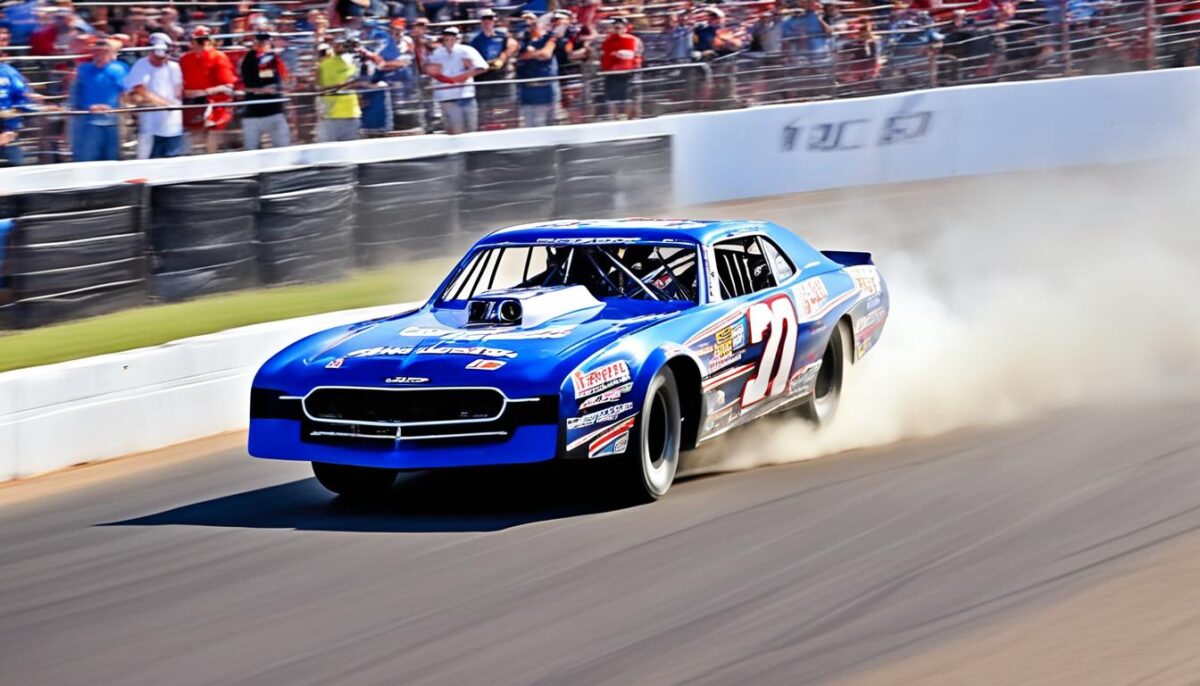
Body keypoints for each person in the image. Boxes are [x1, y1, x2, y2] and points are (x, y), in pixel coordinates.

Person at [124, 32, 186, 158]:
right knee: (148, 162)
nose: (162, 58)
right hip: (150, 127)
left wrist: (169, 105)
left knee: (173, 161)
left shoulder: (174, 67)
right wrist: (163, 103)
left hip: (173, 125)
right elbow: (139, 89)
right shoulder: (141, 65)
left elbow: (178, 92)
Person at [69, 38, 128, 162]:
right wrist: (87, 108)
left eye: (103, 51)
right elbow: (75, 94)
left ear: (110, 53)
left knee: (111, 160)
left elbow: (126, 92)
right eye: (95, 51)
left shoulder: (119, 69)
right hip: (88, 121)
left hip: (112, 121)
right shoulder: (83, 69)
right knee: (87, 160)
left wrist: (119, 110)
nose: (98, 54)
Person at [180, 26, 236, 154]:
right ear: (192, 42)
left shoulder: (218, 56)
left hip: (215, 104)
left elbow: (228, 86)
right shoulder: (185, 59)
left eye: (204, 40)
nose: (202, 44)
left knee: (213, 132)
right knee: (193, 138)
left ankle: (212, 161)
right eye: (199, 41)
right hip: (192, 104)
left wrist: (204, 92)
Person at [424, 25, 487, 134]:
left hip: (466, 95)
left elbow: (482, 67)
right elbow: (430, 71)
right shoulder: (436, 53)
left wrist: (466, 74)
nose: (450, 40)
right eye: (447, 37)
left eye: (453, 37)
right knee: (455, 131)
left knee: (471, 129)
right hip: (447, 96)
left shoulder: (467, 50)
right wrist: (452, 80)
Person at [239, 30, 291, 150]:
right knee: (251, 149)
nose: (264, 43)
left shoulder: (274, 58)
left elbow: (286, 79)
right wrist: (263, 90)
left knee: (283, 147)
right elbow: (244, 87)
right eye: (260, 40)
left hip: (275, 110)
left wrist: (282, 87)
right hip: (253, 113)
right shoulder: (248, 59)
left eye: (266, 40)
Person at [469, 8, 517, 127]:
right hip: (485, 79)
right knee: (486, 109)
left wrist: (502, 58)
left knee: (505, 108)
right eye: (484, 19)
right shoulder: (475, 40)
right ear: (480, 22)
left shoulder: (502, 35)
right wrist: (489, 64)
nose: (487, 22)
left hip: (502, 76)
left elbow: (513, 45)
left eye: (490, 19)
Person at [515, 12, 558, 127]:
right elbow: (522, 56)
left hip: (544, 88)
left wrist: (532, 53)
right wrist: (535, 54)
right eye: (526, 22)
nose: (529, 25)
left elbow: (546, 53)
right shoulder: (522, 41)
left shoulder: (549, 38)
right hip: (526, 89)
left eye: (532, 22)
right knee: (529, 125)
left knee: (546, 124)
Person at [315, 38, 362, 142]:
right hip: (331, 116)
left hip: (351, 114)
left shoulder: (355, 64)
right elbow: (319, 87)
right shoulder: (324, 65)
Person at [600, 16, 642, 120]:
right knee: (613, 100)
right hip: (612, 75)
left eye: (620, 27)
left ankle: (630, 119)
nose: (617, 29)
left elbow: (633, 55)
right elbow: (605, 55)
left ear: (626, 28)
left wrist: (621, 54)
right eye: (615, 27)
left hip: (628, 74)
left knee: (629, 99)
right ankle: (614, 119)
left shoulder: (633, 40)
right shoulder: (608, 41)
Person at [0, 60, 36, 166]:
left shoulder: (8, 72)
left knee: (16, 165)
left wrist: (11, 129)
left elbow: (23, 99)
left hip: (6, 129)